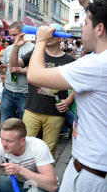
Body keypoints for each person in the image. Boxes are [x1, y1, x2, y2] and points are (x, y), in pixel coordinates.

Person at [27, 0, 107, 192]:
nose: (81, 28)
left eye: (84, 23)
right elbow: (100, 23)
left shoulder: (96, 64)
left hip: (91, 173)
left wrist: (40, 41)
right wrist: (87, 4)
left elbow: (34, 76)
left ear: (99, 29)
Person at [10, 23, 75, 157]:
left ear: (60, 38)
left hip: (55, 113)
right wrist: (16, 46)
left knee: (49, 149)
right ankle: (24, 174)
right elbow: (14, 64)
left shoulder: (69, 60)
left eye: (52, 32)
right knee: (25, 144)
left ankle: (45, 176)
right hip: (32, 109)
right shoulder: (36, 54)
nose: (47, 34)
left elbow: (78, 83)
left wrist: (68, 100)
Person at [1, 21, 34, 123]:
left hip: (25, 92)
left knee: (24, 123)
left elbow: (36, 72)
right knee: (5, 121)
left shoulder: (33, 48)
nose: (12, 38)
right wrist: (0, 68)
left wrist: (20, 70)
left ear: (23, 33)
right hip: (8, 90)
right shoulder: (8, 49)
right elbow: (3, 71)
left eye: (14, 35)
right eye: (10, 35)